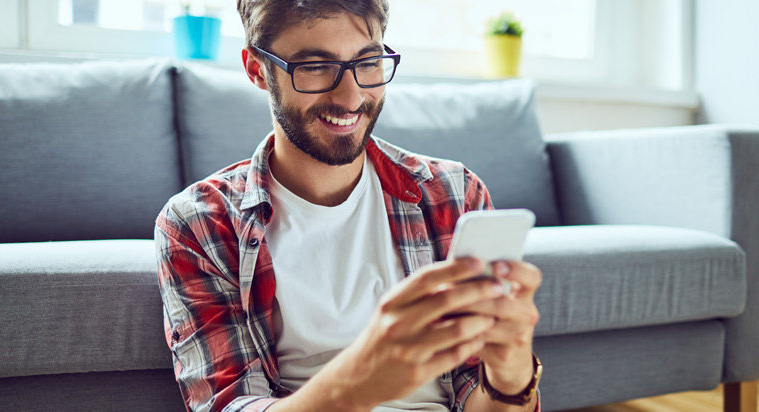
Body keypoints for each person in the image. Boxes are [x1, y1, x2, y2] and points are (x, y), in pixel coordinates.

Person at [154, 1, 542, 411]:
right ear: (257, 70)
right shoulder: (199, 224)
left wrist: (511, 374)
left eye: (368, 62)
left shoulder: (454, 194)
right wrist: (361, 380)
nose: (352, 96)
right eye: (316, 66)